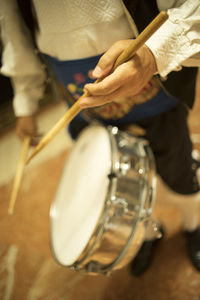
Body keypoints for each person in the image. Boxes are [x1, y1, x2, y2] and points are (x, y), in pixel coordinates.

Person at [1, 0, 200, 275]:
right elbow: (15, 31)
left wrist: (157, 52)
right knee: (113, 179)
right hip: (75, 87)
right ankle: (147, 233)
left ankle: (193, 223)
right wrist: (25, 102)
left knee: (176, 164)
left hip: (143, 71)